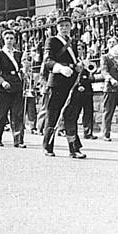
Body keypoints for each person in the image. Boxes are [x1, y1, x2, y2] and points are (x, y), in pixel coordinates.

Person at [42, 16, 86, 159]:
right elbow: (47, 60)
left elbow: (73, 61)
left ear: (71, 26)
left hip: (72, 82)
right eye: (61, 26)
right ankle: (48, 146)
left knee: (71, 115)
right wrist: (59, 67)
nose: (64, 28)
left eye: (67, 25)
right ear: (57, 27)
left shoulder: (72, 42)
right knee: (53, 115)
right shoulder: (52, 41)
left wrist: (78, 66)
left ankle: (74, 148)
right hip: (57, 82)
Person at [0, 30, 25, 148]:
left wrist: (24, 71)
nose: (9, 41)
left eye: (11, 38)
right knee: (1, 113)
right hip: (4, 86)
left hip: (16, 84)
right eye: (7, 38)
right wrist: (2, 82)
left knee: (17, 114)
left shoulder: (18, 53)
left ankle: (18, 140)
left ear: (15, 40)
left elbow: (20, 68)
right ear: (3, 40)